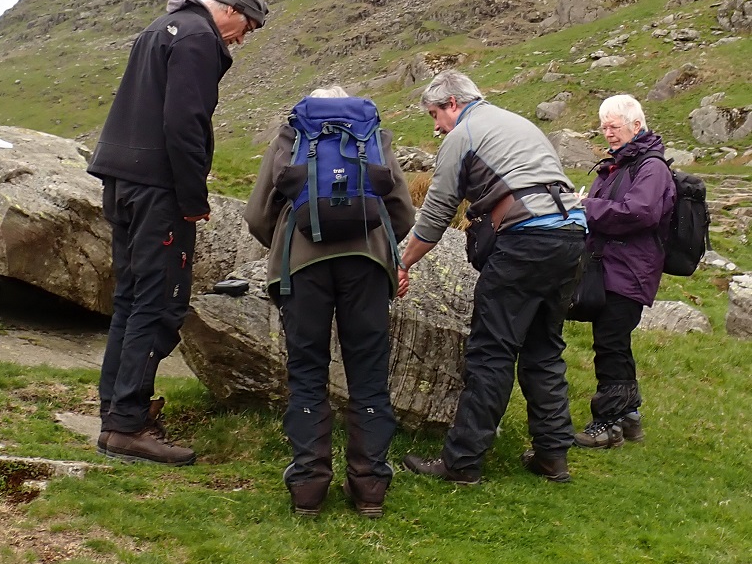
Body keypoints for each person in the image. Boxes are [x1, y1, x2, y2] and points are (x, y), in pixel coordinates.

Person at [87, 0, 268, 465]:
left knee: (130, 297)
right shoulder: (198, 38)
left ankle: (116, 410)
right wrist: (193, 198)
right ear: (230, 9)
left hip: (121, 179)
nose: (241, 38)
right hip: (157, 189)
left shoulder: (161, 27)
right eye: (246, 27)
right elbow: (185, 122)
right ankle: (128, 424)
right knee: (161, 301)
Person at [397, 72, 586, 484]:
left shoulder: (462, 136)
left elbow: (435, 212)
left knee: (492, 351)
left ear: (452, 102)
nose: (434, 126)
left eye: (434, 114)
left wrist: (403, 262)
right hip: (571, 236)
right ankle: (553, 457)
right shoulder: (517, 123)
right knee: (543, 348)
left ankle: (462, 462)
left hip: (526, 241)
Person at [244, 86, 415, 518]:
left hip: (301, 268)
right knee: (369, 374)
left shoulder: (291, 136)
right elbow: (402, 211)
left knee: (306, 372)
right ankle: (370, 485)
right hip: (367, 266)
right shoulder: (374, 135)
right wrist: (380, 245)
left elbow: (257, 215)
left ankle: (307, 486)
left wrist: (286, 241)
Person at [574, 95, 674, 448]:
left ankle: (607, 425)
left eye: (614, 126)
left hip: (630, 270)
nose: (608, 133)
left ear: (636, 125)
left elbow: (639, 212)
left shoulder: (652, 167)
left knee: (610, 343)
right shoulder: (620, 165)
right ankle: (629, 419)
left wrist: (585, 206)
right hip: (613, 268)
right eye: (604, 127)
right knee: (615, 341)